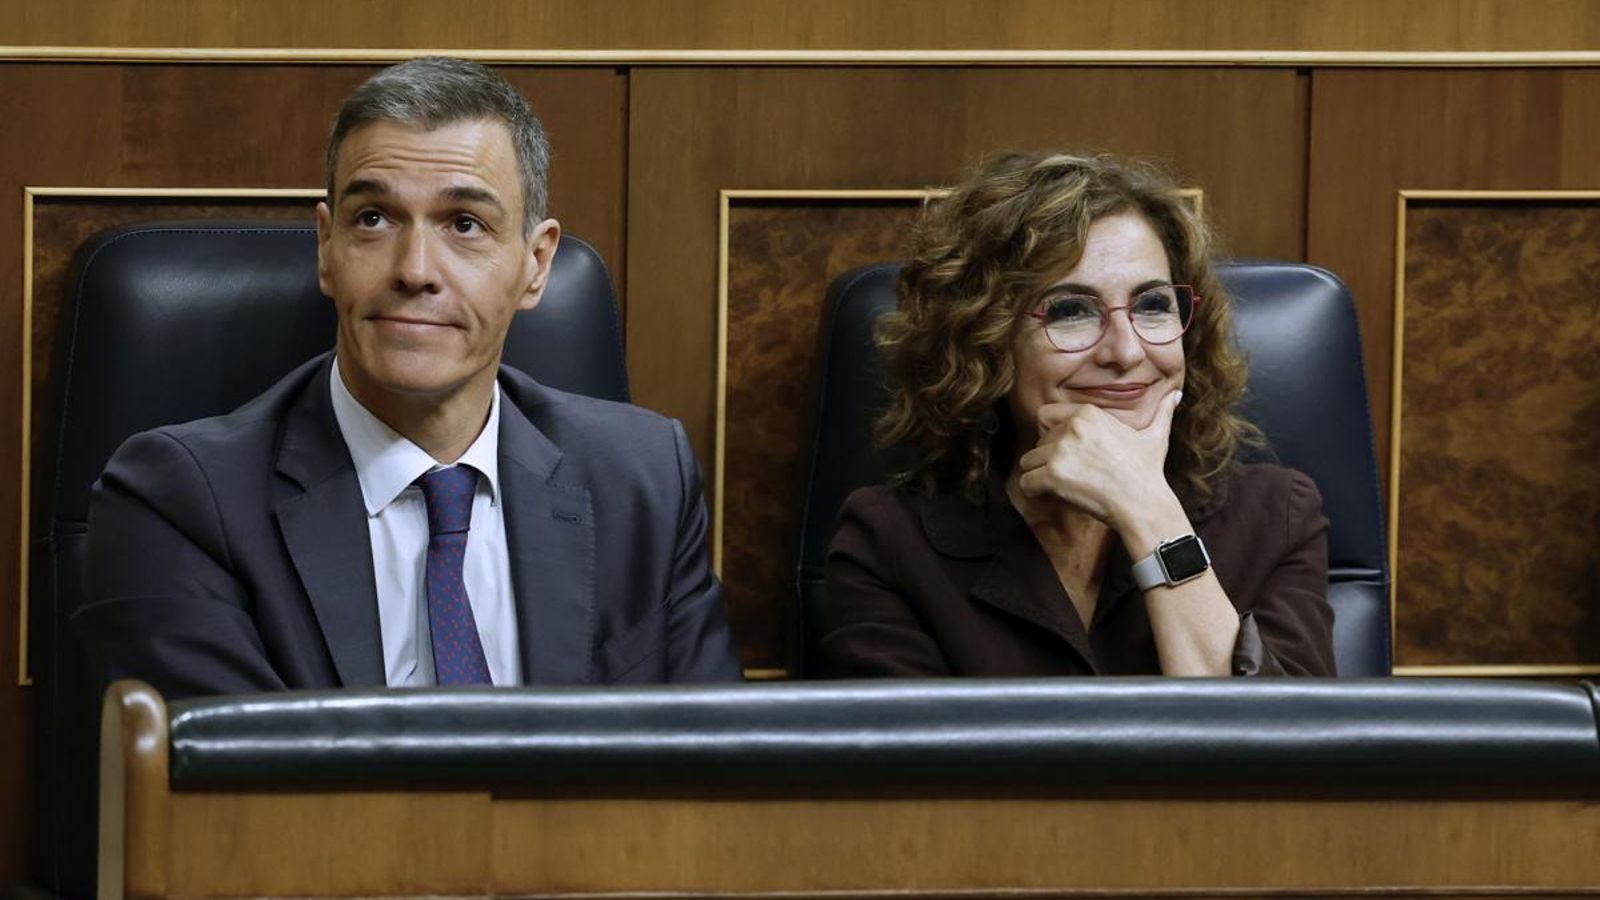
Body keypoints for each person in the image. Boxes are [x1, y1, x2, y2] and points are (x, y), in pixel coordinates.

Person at [77, 57, 742, 698]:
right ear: (327, 247)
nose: (415, 268)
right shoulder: (180, 504)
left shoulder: (644, 481)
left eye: (465, 224)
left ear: (536, 264)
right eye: (374, 218)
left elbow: (713, 772)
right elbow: (241, 803)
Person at [819, 152, 1335, 678]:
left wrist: (1150, 514)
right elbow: (913, 761)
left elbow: (1273, 752)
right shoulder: (889, 543)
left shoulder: (1277, 517)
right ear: (986, 340)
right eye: (1071, 311)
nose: (1126, 352)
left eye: (1153, 305)